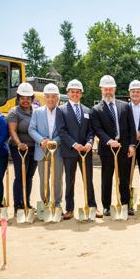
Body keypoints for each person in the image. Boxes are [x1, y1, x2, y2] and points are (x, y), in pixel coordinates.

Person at [91, 75, 137, 217]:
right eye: (106, 89)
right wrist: (109, 141)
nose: (108, 91)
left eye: (111, 88)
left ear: (115, 89)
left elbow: (131, 126)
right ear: (101, 90)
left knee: (124, 177)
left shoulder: (124, 106)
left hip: (123, 148)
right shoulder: (96, 109)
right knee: (106, 178)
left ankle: (125, 204)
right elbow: (97, 129)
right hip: (107, 149)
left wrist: (131, 145)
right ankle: (106, 206)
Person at [56, 79, 101, 220]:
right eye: (72, 91)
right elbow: (61, 131)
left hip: (85, 151)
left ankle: (92, 206)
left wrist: (89, 142)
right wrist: (75, 144)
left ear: (81, 94)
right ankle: (69, 209)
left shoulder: (88, 110)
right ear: (68, 93)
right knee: (70, 181)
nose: (75, 94)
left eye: (77, 92)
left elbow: (91, 130)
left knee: (88, 180)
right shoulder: (61, 110)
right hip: (70, 151)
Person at [28, 83, 64, 211]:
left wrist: (55, 141)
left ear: (57, 98)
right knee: (44, 179)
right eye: (48, 96)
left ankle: (57, 202)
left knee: (58, 178)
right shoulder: (37, 112)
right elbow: (31, 129)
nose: (51, 99)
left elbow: (65, 131)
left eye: (54, 97)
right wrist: (41, 140)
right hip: (41, 150)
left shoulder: (62, 112)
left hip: (57, 151)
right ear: (44, 97)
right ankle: (45, 203)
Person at [7, 82, 38, 215]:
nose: (25, 100)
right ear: (18, 98)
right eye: (22, 98)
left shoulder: (36, 111)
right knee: (20, 176)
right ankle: (18, 205)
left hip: (34, 147)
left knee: (29, 176)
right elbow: (12, 131)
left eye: (28, 98)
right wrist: (19, 143)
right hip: (19, 148)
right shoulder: (14, 112)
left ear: (32, 98)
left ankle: (27, 202)